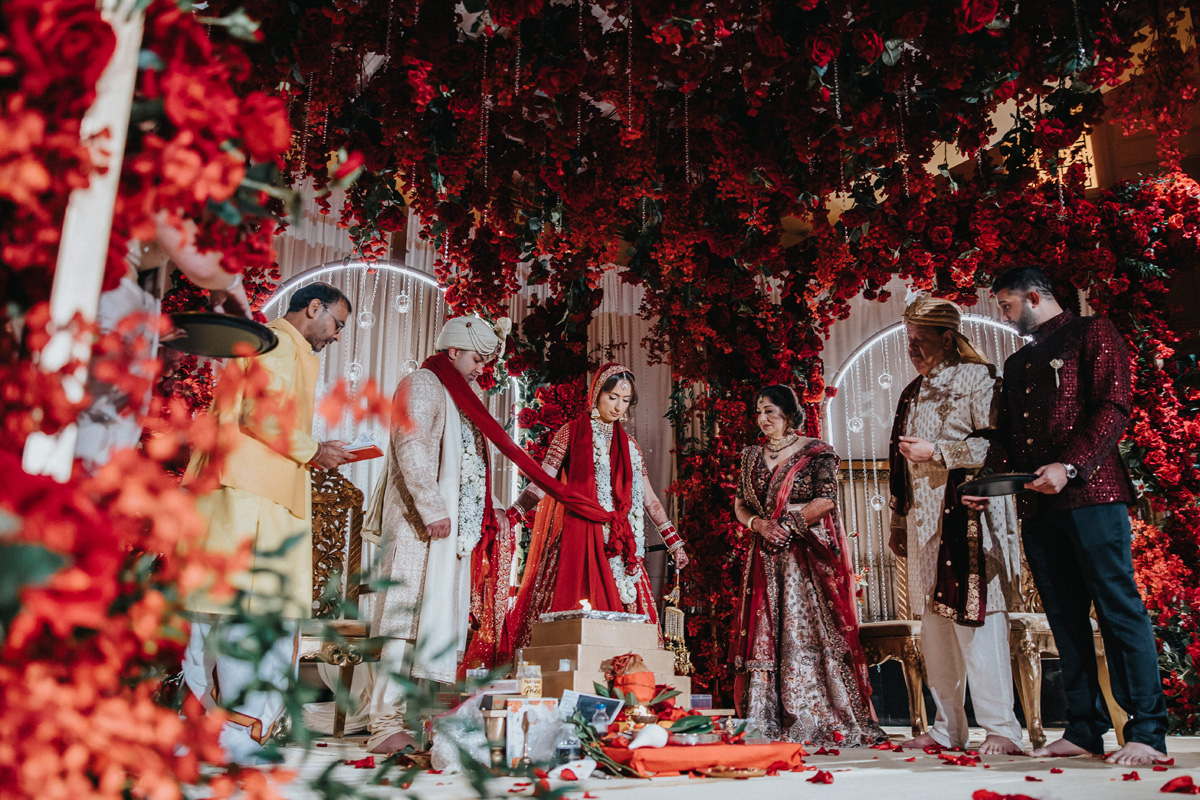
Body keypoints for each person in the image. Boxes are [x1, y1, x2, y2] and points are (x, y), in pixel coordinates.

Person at [964, 266, 1168, 766]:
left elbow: (1112, 407)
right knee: (1065, 616)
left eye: (1008, 306)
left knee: (1119, 610)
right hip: (1037, 505)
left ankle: (1147, 733)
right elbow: (1007, 437)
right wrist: (986, 483)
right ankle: (1083, 729)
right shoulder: (1015, 364)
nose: (1004, 315)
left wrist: (1071, 465)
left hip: (1093, 496)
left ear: (1035, 297)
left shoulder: (1091, 333)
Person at [180, 282, 353, 763]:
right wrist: (316, 450)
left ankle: (210, 733)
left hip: (242, 494)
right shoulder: (278, 342)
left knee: (218, 617)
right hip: (252, 498)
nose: (337, 335)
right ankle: (236, 736)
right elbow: (262, 415)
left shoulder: (272, 344)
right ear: (313, 308)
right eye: (337, 322)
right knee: (252, 617)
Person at [364, 316, 517, 755]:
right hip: (418, 524)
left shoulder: (455, 394)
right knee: (403, 623)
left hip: (444, 532)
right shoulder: (422, 383)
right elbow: (409, 445)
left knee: (428, 627)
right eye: (474, 358)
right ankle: (383, 721)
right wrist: (433, 509)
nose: (478, 368)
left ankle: (407, 718)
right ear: (452, 351)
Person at [887, 295, 1023, 755]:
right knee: (935, 628)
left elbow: (998, 448)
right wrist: (898, 522)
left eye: (921, 341)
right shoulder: (912, 391)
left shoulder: (979, 378)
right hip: (924, 524)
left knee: (977, 622)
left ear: (948, 337)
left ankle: (1002, 727)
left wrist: (939, 453)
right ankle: (948, 728)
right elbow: (900, 467)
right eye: (909, 341)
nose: (913, 350)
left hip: (970, 519)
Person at [731, 385, 885, 746]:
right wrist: (759, 525)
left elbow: (827, 499)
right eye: (758, 412)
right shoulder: (751, 456)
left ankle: (815, 713)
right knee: (766, 630)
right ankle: (765, 715)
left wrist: (788, 526)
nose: (763, 419)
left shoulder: (817, 452)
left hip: (805, 557)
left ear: (789, 413)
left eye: (770, 411)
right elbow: (741, 504)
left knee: (804, 630)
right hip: (765, 557)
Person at [506, 363, 689, 650]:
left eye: (625, 400)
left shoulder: (630, 446)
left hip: (620, 543)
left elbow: (650, 500)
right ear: (597, 395)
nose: (618, 407)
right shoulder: (570, 433)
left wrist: (674, 541)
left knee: (629, 633)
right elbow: (542, 483)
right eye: (612, 397)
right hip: (579, 540)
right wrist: (511, 516)